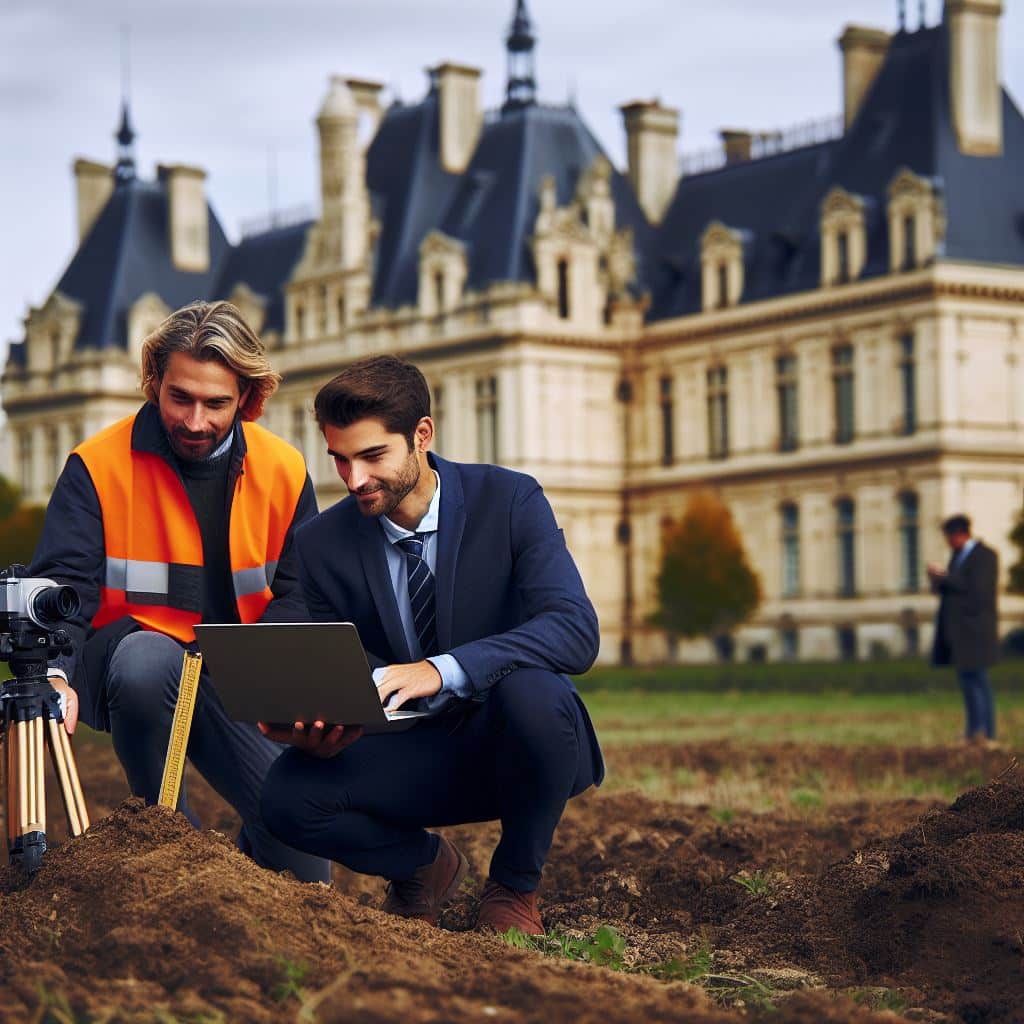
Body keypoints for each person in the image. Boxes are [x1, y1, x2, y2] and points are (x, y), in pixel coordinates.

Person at [258, 355, 604, 934]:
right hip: (407, 752)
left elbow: (574, 628)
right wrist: (295, 711)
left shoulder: (511, 500)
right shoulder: (321, 543)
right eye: (340, 460)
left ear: (422, 435)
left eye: (372, 457)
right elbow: (287, 634)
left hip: (515, 742)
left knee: (536, 696)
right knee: (286, 798)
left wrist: (441, 669)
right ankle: (423, 867)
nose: (354, 480)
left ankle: (514, 887)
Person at [30, 300, 329, 882]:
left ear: (248, 396)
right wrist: (56, 674)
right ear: (153, 384)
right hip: (140, 665)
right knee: (148, 662)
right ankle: (168, 842)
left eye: (216, 403)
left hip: (241, 676)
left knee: (303, 853)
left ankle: (238, 876)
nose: (195, 421)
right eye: (179, 398)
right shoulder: (97, 466)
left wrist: (279, 679)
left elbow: (299, 595)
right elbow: (63, 586)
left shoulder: (285, 470)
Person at [928, 514, 1000, 745]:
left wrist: (945, 577)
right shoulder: (958, 556)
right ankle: (972, 731)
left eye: (949, 537)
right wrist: (939, 581)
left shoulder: (985, 556)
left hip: (977, 630)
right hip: (959, 631)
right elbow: (954, 589)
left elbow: (977, 590)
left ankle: (986, 732)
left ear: (959, 535)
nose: (948, 543)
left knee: (979, 680)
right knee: (967, 681)